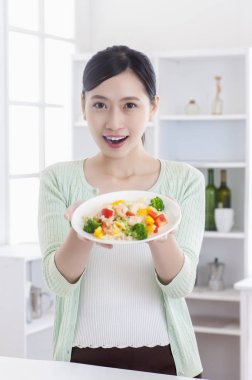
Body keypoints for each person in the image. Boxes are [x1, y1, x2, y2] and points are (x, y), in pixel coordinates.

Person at [38, 45, 205, 378]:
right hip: (80, 361)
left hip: (167, 362)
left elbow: (180, 286)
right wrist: (82, 229)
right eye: (99, 104)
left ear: (153, 107)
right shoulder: (58, 179)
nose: (114, 123)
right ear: (83, 105)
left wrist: (159, 232)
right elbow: (58, 284)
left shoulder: (185, 181)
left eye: (130, 105)